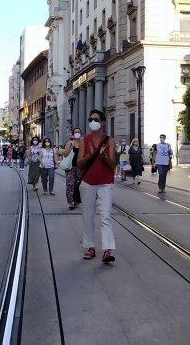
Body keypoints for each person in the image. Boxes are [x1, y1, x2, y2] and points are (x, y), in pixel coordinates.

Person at [78, 109, 117, 263]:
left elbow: (113, 165)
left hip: (106, 183)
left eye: (96, 119)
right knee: (88, 216)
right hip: (88, 182)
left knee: (105, 216)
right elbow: (79, 164)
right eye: (91, 119)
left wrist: (105, 157)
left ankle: (107, 250)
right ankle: (90, 247)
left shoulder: (110, 141)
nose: (93, 122)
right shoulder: (84, 140)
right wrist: (89, 155)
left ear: (103, 122)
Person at [60, 127, 82, 209]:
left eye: (78, 132)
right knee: (70, 184)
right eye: (75, 132)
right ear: (72, 134)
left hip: (80, 167)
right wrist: (69, 147)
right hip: (71, 167)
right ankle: (71, 202)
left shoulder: (83, 143)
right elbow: (65, 154)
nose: (77, 133)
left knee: (78, 185)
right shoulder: (70, 143)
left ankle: (76, 200)